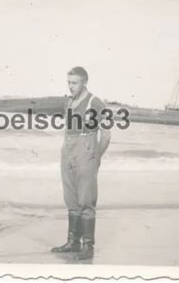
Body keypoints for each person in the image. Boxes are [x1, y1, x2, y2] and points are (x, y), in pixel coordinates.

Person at [51, 66, 111, 260]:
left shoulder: (94, 102)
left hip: (86, 153)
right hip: (68, 152)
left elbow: (107, 134)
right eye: (68, 82)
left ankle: (88, 246)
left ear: (84, 82)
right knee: (71, 199)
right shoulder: (69, 102)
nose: (70, 86)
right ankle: (72, 242)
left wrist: (96, 157)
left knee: (86, 201)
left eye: (74, 83)